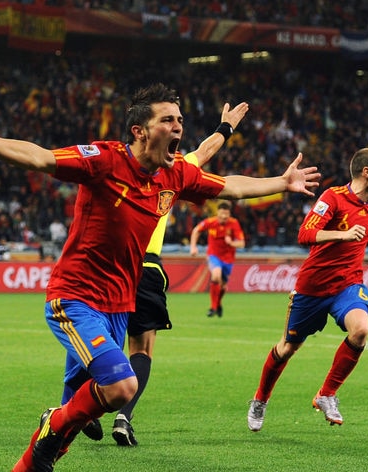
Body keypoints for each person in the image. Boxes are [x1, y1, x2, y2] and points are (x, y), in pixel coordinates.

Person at [0, 83, 320, 472]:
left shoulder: (174, 176)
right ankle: (52, 424)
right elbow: (40, 159)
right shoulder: (104, 159)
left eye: (180, 121)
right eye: (167, 120)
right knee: (122, 386)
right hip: (75, 298)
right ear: (139, 131)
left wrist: (282, 183)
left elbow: (231, 186)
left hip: (119, 305)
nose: (177, 128)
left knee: (80, 408)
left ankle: (35, 456)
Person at [95, 102, 251, 447]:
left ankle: (86, 407)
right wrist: (225, 127)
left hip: (107, 267)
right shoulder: (171, 171)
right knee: (143, 347)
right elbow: (204, 152)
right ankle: (124, 415)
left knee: (99, 340)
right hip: (146, 266)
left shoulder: (111, 167)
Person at [246, 147, 368, 432]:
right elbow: (305, 234)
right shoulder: (333, 198)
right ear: (367, 173)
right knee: (288, 347)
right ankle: (260, 400)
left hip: (348, 284)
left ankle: (327, 393)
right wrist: (342, 234)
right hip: (312, 288)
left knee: (361, 330)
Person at [189, 200, 245, 318]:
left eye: (226, 215)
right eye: (221, 215)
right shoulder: (211, 222)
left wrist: (231, 243)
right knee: (216, 275)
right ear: (217, 213)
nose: (223, 217)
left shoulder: (234, 223)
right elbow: (196, 230)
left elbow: (241, 243)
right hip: (213, 255)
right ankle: (213, 307)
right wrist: (193, 247)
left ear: (229, 214)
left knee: (223, 286)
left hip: (228, 259)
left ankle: (218, 304)